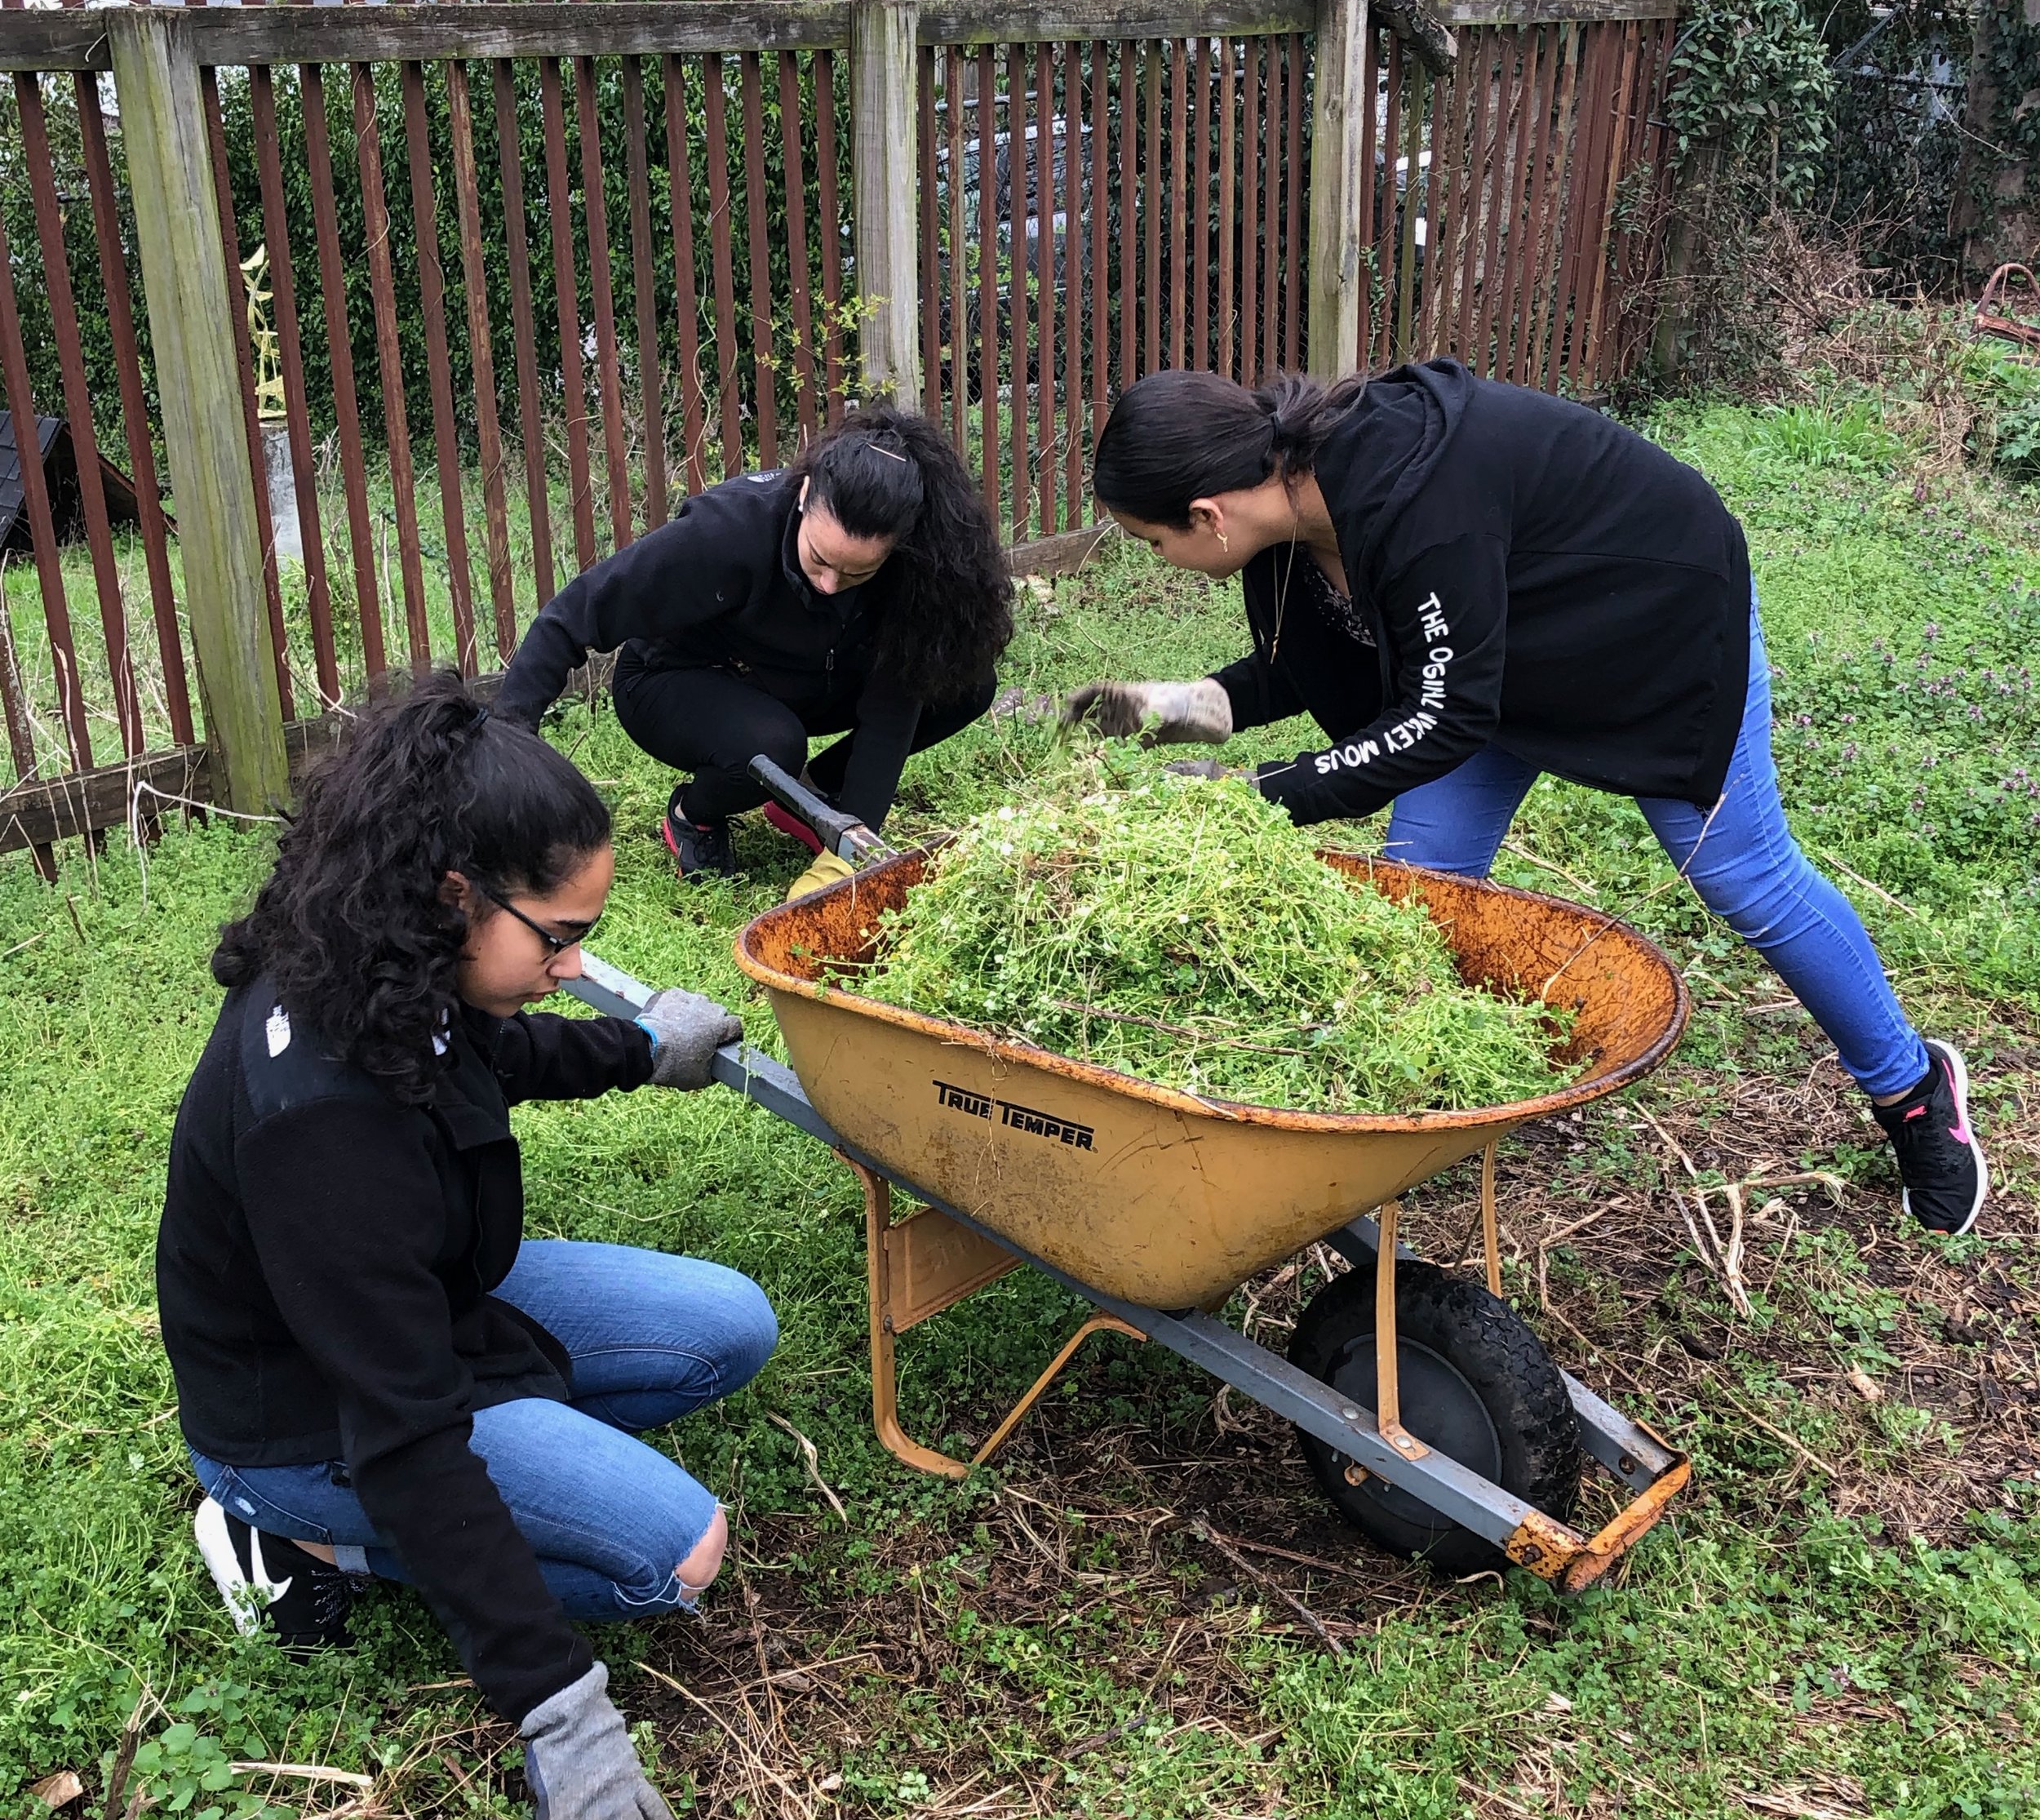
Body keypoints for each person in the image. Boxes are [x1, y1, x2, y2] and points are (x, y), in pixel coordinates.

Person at [1067, 363, 1989, 1237]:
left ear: (1207, 513)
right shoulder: (1294, 524)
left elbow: (1437, 716)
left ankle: (1910, 1087)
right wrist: (1169, 709)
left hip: (1650, 623)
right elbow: (1322, 666)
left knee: (1740, 873)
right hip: (1492, 666)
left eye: (1152, 543)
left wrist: (1259, 792)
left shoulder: (1415, 498)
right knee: (1420, 888)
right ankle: (1394, 1114)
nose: (1158, 561)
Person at [157, 674, 774, 1820]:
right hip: (312, 1406)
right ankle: (288, 1530)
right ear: (456, 893)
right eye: (560, 937)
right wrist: (566, 1717)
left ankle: (525, 1456)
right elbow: (407, 1436)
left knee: (726, 1328)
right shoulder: (319, 1123)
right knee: (676, 1556)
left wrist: (639, 1051)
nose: (576, 965)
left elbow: (487, 1045)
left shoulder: (378, 955)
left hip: (425, 1295)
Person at [495, 406, 1013, 898]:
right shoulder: (726, 531)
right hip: (675, 679)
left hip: (802, 681)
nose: (831, 585)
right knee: (770, 746)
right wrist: (509, 747)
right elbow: (570, 619)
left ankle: (810, 798)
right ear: (806, 494)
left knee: (963, 683)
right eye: (819, 560)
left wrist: (852, 840)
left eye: (858, 573)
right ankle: (693, 814)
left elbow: (896, 701)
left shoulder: (916, 569)